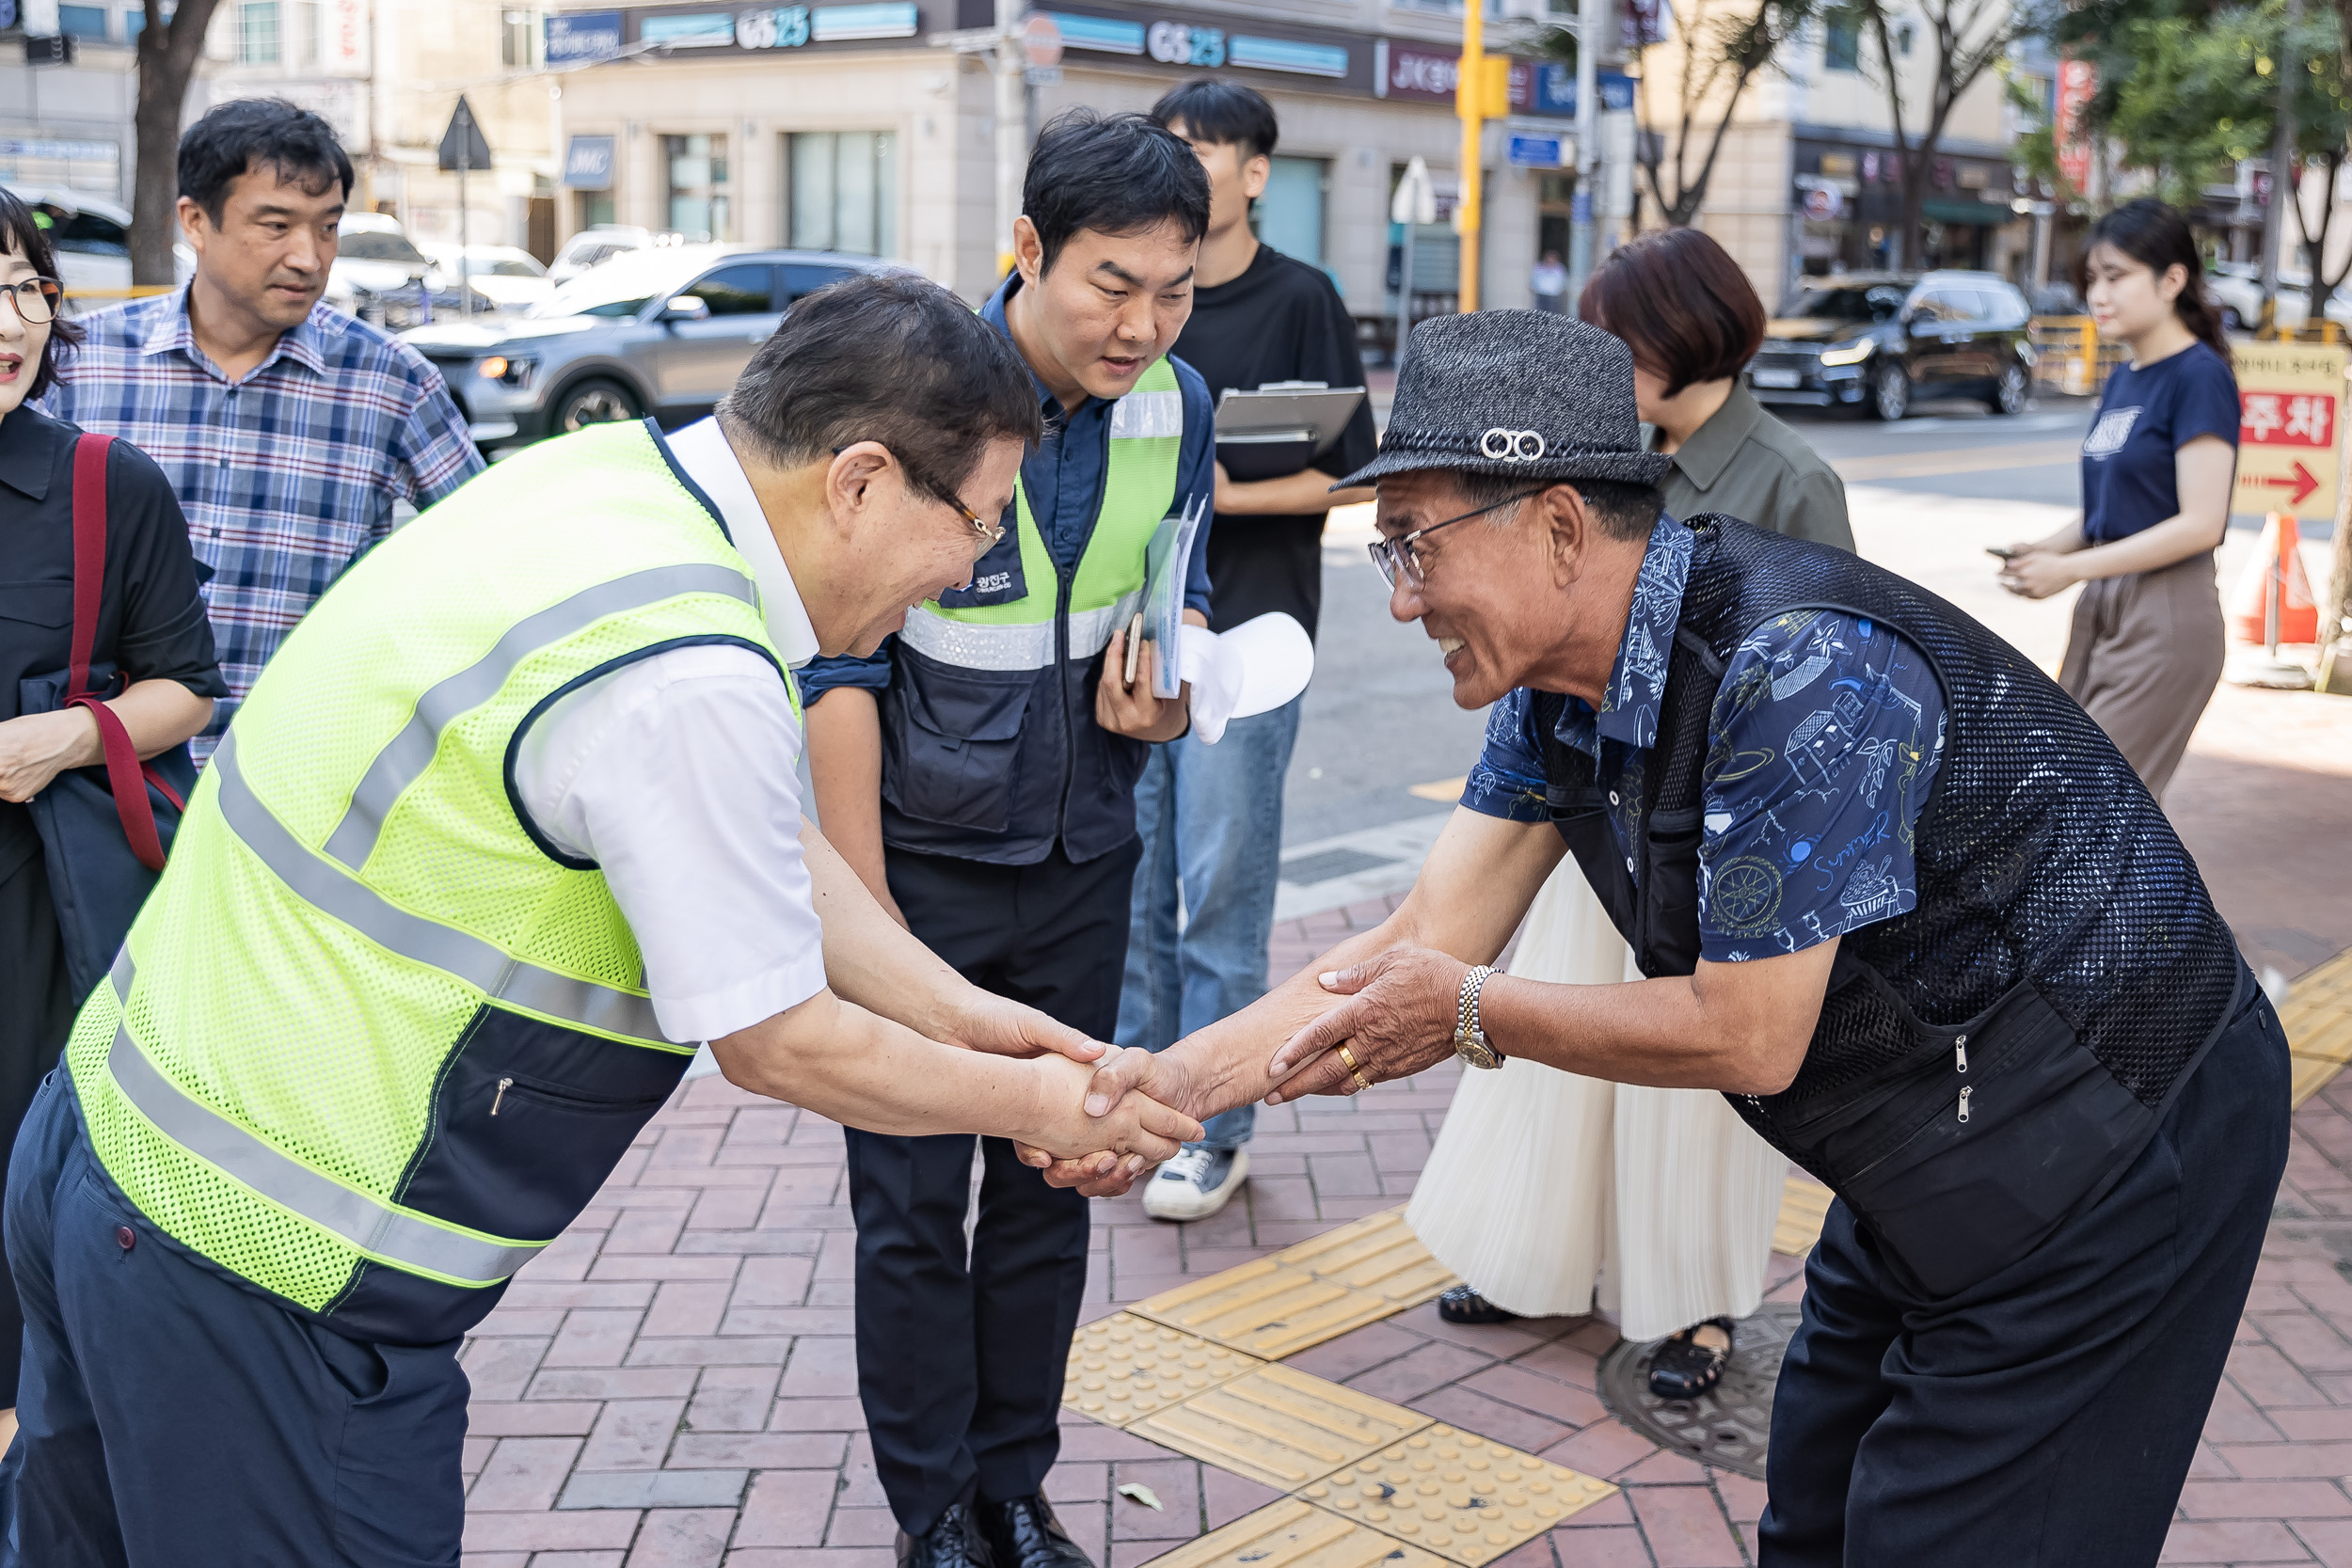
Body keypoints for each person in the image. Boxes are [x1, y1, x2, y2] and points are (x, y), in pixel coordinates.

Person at [0, 273, 1201, 1568]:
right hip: (264, 1269)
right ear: (858, 480)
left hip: (107, 1140)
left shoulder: (606, 488)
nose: (972, 570)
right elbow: (776, 1037)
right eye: (975, 526)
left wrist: (972, 1017)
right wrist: (1044, 1108)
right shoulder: (687, 665)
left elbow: (745, 832)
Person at [1058, 309, 2287, 1565]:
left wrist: (1473, 1008)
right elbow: (1421, 935)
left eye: (1414, 545)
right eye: (1387, 557)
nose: (1403, 597)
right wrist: (1170, 1087)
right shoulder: (1553, 690)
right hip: (1927, 1137)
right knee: (1815, 1513)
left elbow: (1746, 1031)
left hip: (2122, 1132)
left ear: (1556, 523)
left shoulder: (1798, 659)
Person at [798, 111, 1213, 1568]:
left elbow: (1179, 589)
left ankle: (1014, 1490)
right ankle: (932, 1516)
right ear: (1026, 248)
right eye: (1113, 283)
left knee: (1059, 1182)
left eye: (1176, 289)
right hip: (917, 878)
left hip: (1085, 858)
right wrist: (869, 914)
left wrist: (1170, 696)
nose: (1143, 324)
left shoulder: (1181, 404)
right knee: (912, 1210)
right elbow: (837, 665)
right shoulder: (915, 394)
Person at [1410, 227, 1852, 1404]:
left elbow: (1821, 687)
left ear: (1686, 331)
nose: (1608, 362)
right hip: (1591, 816)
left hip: (1721, 843)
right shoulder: (1625, 459)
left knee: (1700, 1089)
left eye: (1623, 338)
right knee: (1551, 1058)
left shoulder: (1789, 474)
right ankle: (1530, 1258)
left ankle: (1694, 1301)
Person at [1119, 79, 1376, 1222]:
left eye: (1201, 150)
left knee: (1218, 895)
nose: (1180, 167)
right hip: (1127, 638)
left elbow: (1354, 475)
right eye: (1161, 148)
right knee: (1130, 892)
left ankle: (1214, 1127)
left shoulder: (1300, 300)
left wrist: (1209, 485)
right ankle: (1136, 1106)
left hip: (1250, 645)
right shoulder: (1138, 304)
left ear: (1254, 171)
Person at [41, 98, 481, 763]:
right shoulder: (83, 365)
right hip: (104, 781)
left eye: (328, 227)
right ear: (196, 220)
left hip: (303, 784)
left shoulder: (389, 382)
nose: (308, 256)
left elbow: (491, 551)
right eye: (275, 225)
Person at [0, 187, 223, 1450]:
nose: (13, 318)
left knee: (29, 1253)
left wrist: (67, 735)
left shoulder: (102, 486)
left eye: (27, 285)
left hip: (44, 927)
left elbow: (183, 683)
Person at [1998, 198, 2239, 800]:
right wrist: (2043, 552)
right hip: (2105, 606)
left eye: (2116, 276)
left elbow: (2201, 523)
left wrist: (2069, 569)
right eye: (2091, 280)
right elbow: (2114, 508)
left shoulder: (2198, 376)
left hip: (2166, 614)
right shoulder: (2127, 376)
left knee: (2092, 815)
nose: (2098, 295)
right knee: (2062, 801)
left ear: (2172, 280)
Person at [1531, 249, 1568, 313]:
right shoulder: (1539, 267)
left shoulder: (1560, 269)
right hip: (1541, 295)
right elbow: (1533, 280)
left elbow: (1563, 282)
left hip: (1553, 297)